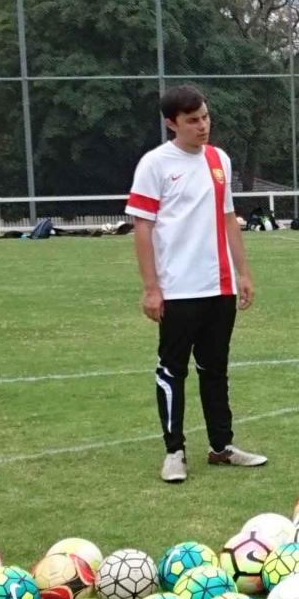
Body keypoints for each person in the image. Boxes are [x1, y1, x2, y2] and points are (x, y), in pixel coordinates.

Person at [126, 84, 268, 483]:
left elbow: (228, 219)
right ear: (172, 123)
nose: (203, 126)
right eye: (193, 120)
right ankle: (174, 452)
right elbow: (143, 227)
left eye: (205, 117)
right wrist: (151, 287)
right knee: (172, 370)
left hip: (218, 286)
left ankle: (222, 447)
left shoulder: (218, 159)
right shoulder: (154, 164)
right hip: (177, 289)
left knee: (215, 369)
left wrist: (243, 272)